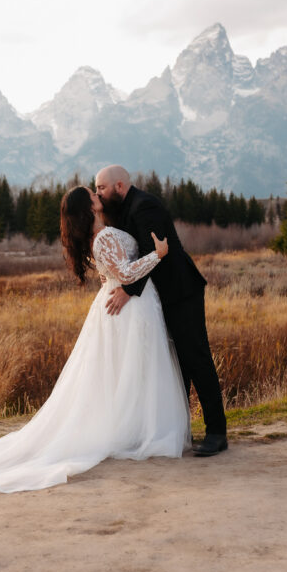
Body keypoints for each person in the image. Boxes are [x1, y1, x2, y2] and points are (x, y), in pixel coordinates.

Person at [0, 186, 190, 493]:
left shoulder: (96, 237)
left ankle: (134, 430)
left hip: (122, 306)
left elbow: (109, 274)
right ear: (89, 207)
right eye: (93, 194)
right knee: (134, 368)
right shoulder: (103, 237)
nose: (97, 195)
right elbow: (126, 274)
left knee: (125, 372)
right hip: (128, 309)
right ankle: (139, 432)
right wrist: (158, 254)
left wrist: (113, 280)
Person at [94, 164, 227, 456]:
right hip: (158, 298)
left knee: (195, 358)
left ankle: (217, 432)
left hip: (180, 292)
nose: (97, 193)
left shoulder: (145, 206)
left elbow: (152, 252)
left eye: (101, 188)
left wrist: (128, 290)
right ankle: (179, 431)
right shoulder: (121, 209)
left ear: (118, 186)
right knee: (174, 364)